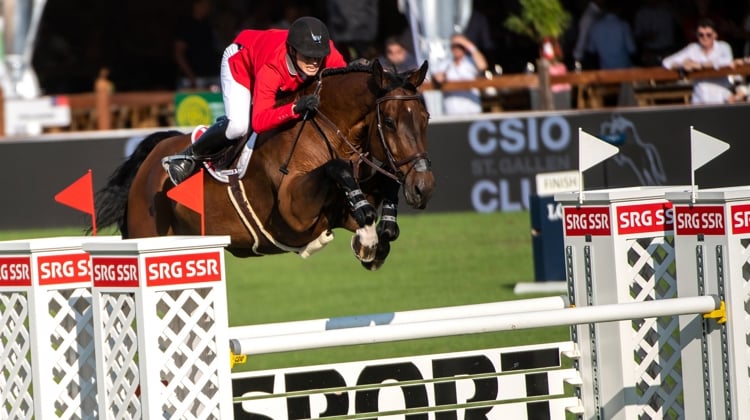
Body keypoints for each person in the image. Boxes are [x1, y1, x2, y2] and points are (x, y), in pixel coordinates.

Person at [166, 16, 348, 185]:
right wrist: (293, 109)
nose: (314, 63)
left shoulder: (327, 52)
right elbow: (259, 122)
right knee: (238, 126)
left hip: (264, 58)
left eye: (318, 56)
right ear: (292, 50)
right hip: (240, 63)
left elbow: (344, 81)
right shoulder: (272, 68)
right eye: (307, 56)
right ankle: (190, 155)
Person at [662, 18, 734, 104]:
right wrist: (683, 64)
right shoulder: (692, 48)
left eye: (708, 35)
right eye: (701, 35)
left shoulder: (723, 46)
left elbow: (727, 61)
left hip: (721, 99)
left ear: (715, 35)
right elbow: (666, 62)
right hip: (699, 100)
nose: (705, 38)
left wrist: (700, 65)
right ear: (697, 35)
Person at [431, 33, 488, 115]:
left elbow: (483, 66)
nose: (457, 49)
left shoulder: (471, 62)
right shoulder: (445, 64)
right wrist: (437, 78)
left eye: (460, 46)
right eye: (454, 46)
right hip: (452, 113)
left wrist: (466, 43)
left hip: (472, 111)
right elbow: (435, 78)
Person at [174, 0, 222, 90]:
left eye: (209, 4)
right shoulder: (185, 25)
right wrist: (191, 76)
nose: (207, 7)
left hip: (212, 77)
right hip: (192, 79)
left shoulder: (208, 25)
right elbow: (178, 53)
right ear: (196, 4)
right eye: (205, 4)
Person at [585, 2, 637, 70]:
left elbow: (591, 50)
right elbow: (632, 49)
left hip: (605, 72)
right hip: (624, 71)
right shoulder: (623, 26)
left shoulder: (595, 26)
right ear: (619, 10)